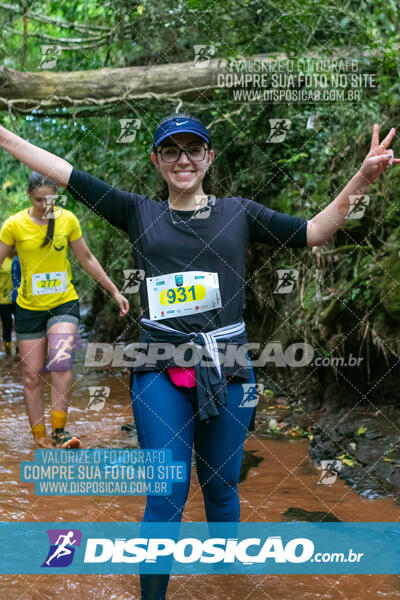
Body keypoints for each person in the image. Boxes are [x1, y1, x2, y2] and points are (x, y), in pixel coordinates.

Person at [0, 116, 397, 598]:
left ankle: (224, 585)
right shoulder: (137, 212)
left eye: (194, 150)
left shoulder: (239, 213)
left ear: (209, 158)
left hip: (229, 366)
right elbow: (64, 172)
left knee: (222, 487)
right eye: (171, 151)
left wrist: (362, 179)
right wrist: (4, 136)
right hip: (159, 369)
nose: (183, 159)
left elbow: (314, 232)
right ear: (157, 161)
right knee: (166, 494)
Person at [0, 172, 129, 449]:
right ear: (28, 196)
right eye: (39, 200)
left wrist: (115, 290)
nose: (46, 205)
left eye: (51, 199)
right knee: (31, 375)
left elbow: (87, 258)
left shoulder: (68, 220)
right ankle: (39, 438)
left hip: (63, 302)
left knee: (60, 362)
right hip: (28, 307)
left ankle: (59, 432)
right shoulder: (14, 225)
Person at [0, 251, 14, 355]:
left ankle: (19, 351)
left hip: (18, 298)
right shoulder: (2, 260)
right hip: (3, 299)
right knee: (7, 325)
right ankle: (7, 350)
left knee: (19, 325)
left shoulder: (19, 258)